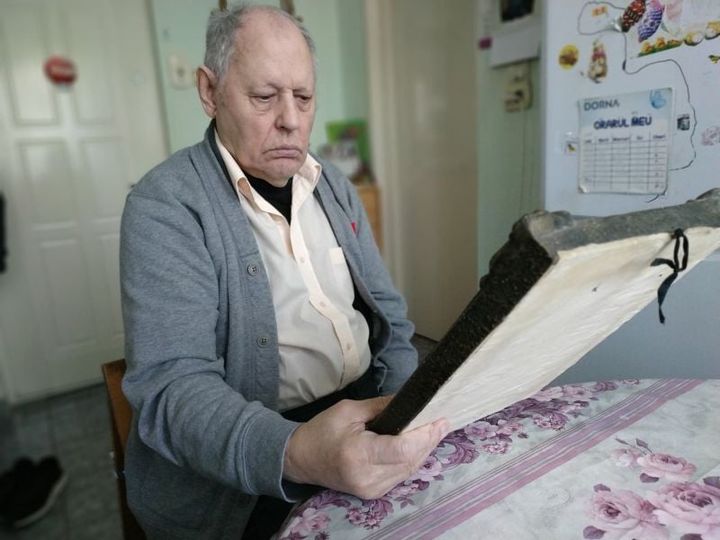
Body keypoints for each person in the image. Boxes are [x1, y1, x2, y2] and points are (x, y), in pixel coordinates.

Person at [119, 4, 448, 539]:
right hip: (256, 460)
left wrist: (401, 408)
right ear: (209, 92)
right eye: (264, 97)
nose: (291, 120)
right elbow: (172, 390)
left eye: (304, 97)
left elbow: (390, 318)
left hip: (365, 412)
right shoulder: (165, 206)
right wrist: (297, 452)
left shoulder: (334, 185)